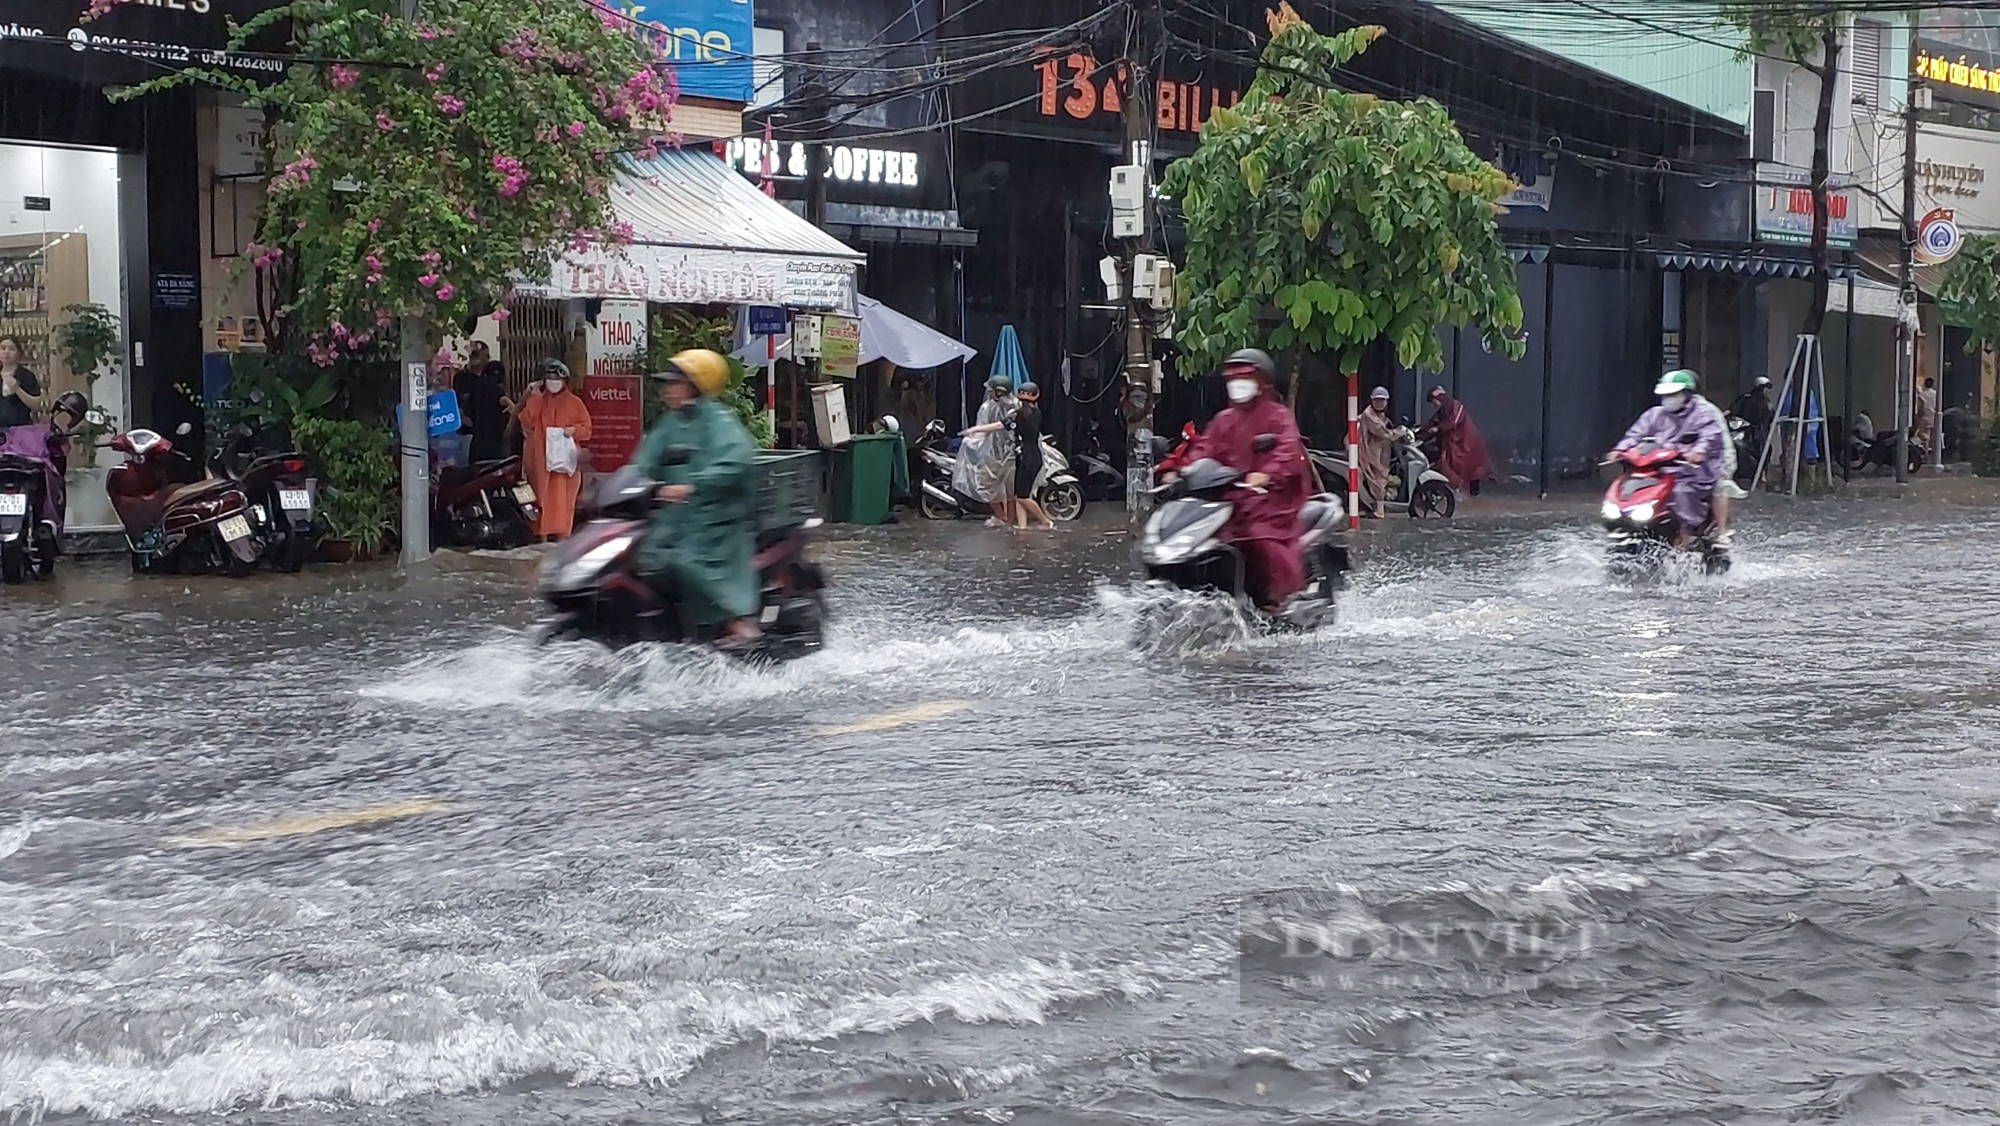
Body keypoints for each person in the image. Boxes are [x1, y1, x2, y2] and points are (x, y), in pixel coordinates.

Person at [633, 349, 761, 650]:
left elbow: (738, 460)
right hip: (674, 517)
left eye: (675, 383)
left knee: (687, 560)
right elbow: (643, 461)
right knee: (645, 559)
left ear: (694, 385)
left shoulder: (719, 422)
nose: (668, 390)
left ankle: (739, 620)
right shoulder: (670, 423)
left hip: (715, 518)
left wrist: (693, 486)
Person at [1183, 348, 1312, 610]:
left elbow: (1288, 450)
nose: (1238, 385)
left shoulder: (1278, 416)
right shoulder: (1223, 420)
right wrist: (1183, 471)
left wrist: (1266, 474)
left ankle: (1280, 598)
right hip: (1229, 502)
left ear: (1261, 382)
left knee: (1259, 539)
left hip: (1271, 503)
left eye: (1245, 378)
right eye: (1233, 379)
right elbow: (1203, 449)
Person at [1610, 369, 1724, 548]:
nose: (1668, 398)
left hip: (1692, 471)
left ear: (1686, 394)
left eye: (1673, 394)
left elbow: (1709, 437)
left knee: (1681, 492)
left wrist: (1696, 453)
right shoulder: (1655, 414)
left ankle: (1688, 535)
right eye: (1666, 394)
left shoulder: (1703, 414)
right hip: (1658, 469)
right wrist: (1621, 449)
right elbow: (1636, 433)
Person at [511, 358, 592, 541]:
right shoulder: (538, 400)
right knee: (541, 500)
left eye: (557, 379)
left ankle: (563, 538)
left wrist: (573, 431)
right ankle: (542, 539)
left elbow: (587, 429)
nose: (553, 383)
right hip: (540, 462)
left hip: (566, 465)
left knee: (565, 502)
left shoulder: (575, 403)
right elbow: (526, 420)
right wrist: (535, 397)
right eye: (549, 379)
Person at [964, 382, 1056, 530]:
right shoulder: (1036, 413)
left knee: (1022, 497)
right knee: (1019, 495)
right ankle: (1022, 527)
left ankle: (1045, 521)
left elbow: (997, 426)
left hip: (1026, 458)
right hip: (1032, 456)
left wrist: (976, 429)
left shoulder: (1018, 414)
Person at [1687, 374, 1743, 543]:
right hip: (1688, 456)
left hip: (1718, 456)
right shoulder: (1672, 411)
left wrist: (1698, 451)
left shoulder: (1705, 410)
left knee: (1719, 486)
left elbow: (1709, 437)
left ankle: (1721, 531)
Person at [955, 375, 1017, 526]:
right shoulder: (988, 407)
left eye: (991, 390)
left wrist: (974, 431)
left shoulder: (1015, 407)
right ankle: (1002, 516)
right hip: (993, 453)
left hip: (1011, 454)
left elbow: (998, 426)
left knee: (1011, 491)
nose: (989, 393)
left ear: (999, 392)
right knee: (985, 486)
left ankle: (1008, 520)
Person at [1419, 386, 1495, 496]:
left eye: (1434, 401)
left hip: (1464, 442)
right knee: (1447, 464)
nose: (1434, 404)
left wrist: (1438, 428)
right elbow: (1434, 422)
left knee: (1468, 466)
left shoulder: (1455, 406)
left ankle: (1470, 487)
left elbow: (1452, 421)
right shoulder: (1443, 410)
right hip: (1453, 444)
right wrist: (1423, 432)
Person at [454, 341, 510, 464]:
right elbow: (457, 400)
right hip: (467, 433)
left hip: (489, 433)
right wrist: (462, 416)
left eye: (487, 357)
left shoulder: (489, 377)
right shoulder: (461, 378)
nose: (486, 360)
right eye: (484, 356)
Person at [1358, 386, 1395, 519]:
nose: (1379, 403)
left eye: (1382, 400)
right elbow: (1381, 431)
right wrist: (1397, 433)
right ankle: (1380, 510)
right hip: (1371, 452)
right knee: (1378, 479)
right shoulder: (1369, 415)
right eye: (1377, 400)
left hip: (1380, 451)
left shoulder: (1379, 414)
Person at [0, 336, 49, 429]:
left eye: (11, 349)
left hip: (20, 429)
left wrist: (16, 389)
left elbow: (36, 405)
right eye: (3, 348)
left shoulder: (26, 376)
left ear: (18, 353)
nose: (6, 352)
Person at [1915, 376, 1939, 456]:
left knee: (1922, 434)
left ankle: (1926, 453)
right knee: (1933, 435)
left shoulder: (1922, 395)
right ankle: (1934, 453)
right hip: (1934, 417)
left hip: (1925, 417)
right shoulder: (1936, 394)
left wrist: (1917, 418)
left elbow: (1920, 408)